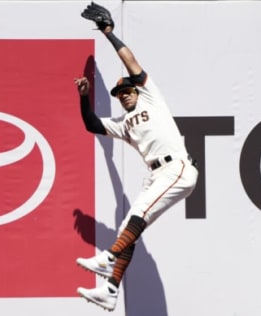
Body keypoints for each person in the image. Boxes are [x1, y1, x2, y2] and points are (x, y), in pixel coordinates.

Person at [74, 2, 199, 312]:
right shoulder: (123, 124)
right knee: (129, 227)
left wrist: (109, 34)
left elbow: (131, 61)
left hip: (177, 168)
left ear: (137, 91)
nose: (124, 95)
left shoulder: (151, 99)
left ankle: (109, 257)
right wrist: (85, 97)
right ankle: (111, 290)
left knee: (138, 212)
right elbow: (91, 124)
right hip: (158, 175)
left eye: (127, 91)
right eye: (120, 95)